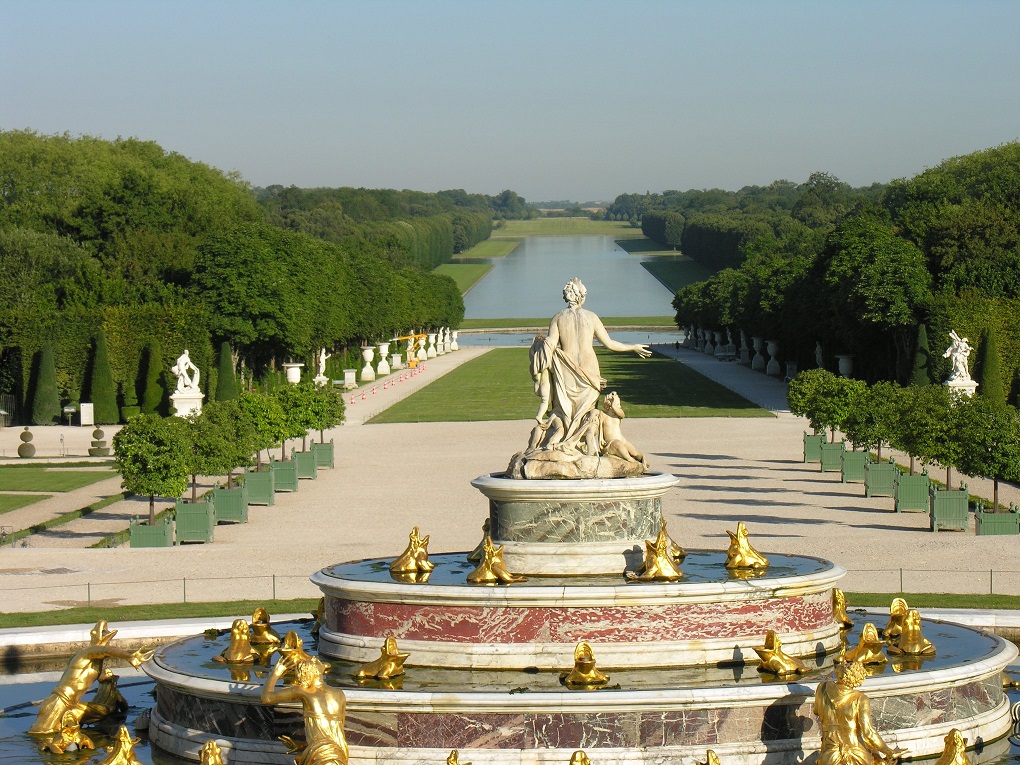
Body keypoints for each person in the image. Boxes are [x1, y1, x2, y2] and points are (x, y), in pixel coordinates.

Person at [530, 278, 650, 450]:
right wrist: (632, 347)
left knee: (566, 412)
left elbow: (549, 346)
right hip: (590, 371)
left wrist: (538, 356)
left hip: (567, 371)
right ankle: (580, 446)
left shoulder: (558, 318)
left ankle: (564, 444)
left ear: (569, 296)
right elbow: (609, 344)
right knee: (587, 414)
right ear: (581, 296)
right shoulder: (591, 317)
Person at [29, 621, 153, 734]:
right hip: (59, 702)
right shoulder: (86, 654)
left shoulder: (95, 665)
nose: (107, 644)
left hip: (71, 705)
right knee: (43, 734)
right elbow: (105, 651)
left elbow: (98, 673)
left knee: (102, 711)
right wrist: (128, 656)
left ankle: (75, 729)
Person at [814, 660, 907, 765]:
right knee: (881, 761)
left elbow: (816, 711)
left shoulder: (822, 688)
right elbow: (868, 732)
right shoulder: (860, 699)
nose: (845, 661)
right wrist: (890, 753)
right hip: (856, 755)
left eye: (848, 664)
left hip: (828, 755)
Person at [261, 657, 348, 765]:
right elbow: (332, 733)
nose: (314, 657)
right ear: (310, 670)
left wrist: (275, 674)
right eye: (313, 661)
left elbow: (266, 697)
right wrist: (303, 746)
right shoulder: (338, 694)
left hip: (322, 753)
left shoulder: (304, 691)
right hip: (338, 751)